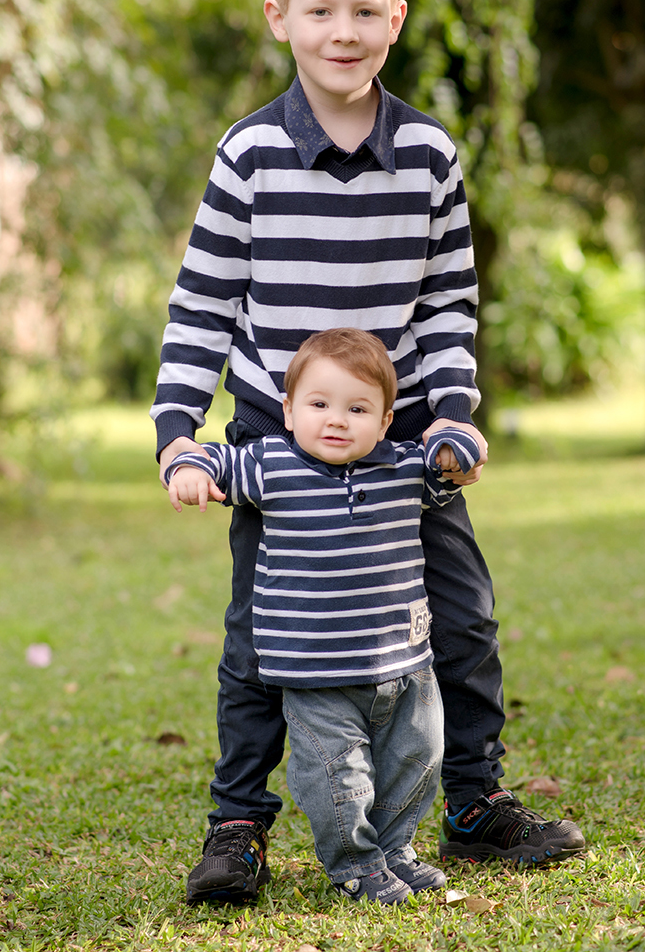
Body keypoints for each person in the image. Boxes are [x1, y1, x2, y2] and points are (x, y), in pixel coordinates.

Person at [151, 0, 585, 906]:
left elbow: (443, 302)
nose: (340, 31)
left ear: (394, 19)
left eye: (361, 11)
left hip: (401, 444)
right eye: (319, 10)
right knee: (262, 637)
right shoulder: (248, 153)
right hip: (275, 434)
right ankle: (236, 824)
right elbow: (204, 302)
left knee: (462, 619)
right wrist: (180, 430)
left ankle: (472, 801)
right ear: (280, 18)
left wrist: (452, 415)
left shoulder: (427, 154)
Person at [165, 329, 482, 904]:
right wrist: (187, 466)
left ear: (386, 422)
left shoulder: (404, 468)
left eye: (357, 409)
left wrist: (457, 444)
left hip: (405, 666)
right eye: (318, 405)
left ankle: (392, 850)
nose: (336, 420)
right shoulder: (272, 467)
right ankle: (355, 866)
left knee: (417, 759)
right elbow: (213, 458)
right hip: (316, 674)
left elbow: (451, 464)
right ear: (286, 411)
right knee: (337, 778)